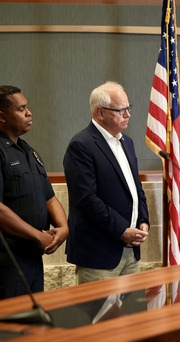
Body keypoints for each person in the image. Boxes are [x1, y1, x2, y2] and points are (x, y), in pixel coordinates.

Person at [0, 85, 68, 304]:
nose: (29, 113)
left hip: (32, 258)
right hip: (3, 261)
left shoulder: (28, 151)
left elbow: (48, 196)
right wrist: (38, 236)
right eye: (21, 109)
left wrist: (63, 227)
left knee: (32, 331)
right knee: (3, 331)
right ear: (1, 116)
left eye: (27, 107)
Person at [63, 81, 149, 284]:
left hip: (131, 251)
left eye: (129, 108)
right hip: (99, 253)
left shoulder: (127, 142)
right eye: (121, 110)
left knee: (131, 315)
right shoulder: (81, 145)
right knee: (99, 315)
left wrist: (143, 220)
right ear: (100, 112)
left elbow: (135, 188)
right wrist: (121, 230)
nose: (128, 115)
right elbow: (86, 199)